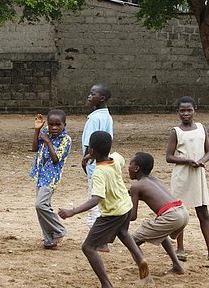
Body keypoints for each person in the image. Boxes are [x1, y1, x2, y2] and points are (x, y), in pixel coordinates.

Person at [59, 131, 150, 288]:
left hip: (113, 213)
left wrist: (72, 211)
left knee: (88, 247)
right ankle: (140, 258)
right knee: (123, 232)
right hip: (126, 206)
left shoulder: (99, 173)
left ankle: (106, 284)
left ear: (92, 151)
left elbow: (97, 198)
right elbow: (118, 159)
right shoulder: (115, 158)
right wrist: (88, 160)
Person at [165, 95, 209, 262]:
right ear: (178, 112)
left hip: (198, 174)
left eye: (189, 110)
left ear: (195, 111)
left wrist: (201, 161)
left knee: (203, 212)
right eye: (182, 110)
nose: (186, 113)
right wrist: (187, 161)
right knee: (180, 213)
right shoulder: (175, 132)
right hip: (182, 175)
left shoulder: (201, 128)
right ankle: (180, 248)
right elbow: (169, 157)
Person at [128, 151, 189, 274]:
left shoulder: (136, 187)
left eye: (130, 164)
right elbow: (151, 195)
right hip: (183, 211)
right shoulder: (154, 180)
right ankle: (177, 265)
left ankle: (144, 274)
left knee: (132, 241)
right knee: (161, 234)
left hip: (171, 216)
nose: (128, 167)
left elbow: (133, 216)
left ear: (136, 168)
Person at [30, 109, 72, 249]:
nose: (54, 128)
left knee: (40, 205)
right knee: (42, 207)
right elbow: (35, 148)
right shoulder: (45, 133)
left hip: (52, 177)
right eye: (51, 124)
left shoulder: (65, 140)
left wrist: (48, 142)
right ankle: (49, 239)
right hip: (40, 174)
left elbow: (56, 159)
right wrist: (37, 131)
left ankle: (59, 230)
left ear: (64, 125)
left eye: (58, 125)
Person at [81, 83, 114, 246]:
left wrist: (85, 159)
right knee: (101, 200)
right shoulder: (107, 116)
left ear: (101, 98)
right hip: (103, 163)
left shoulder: (94, 118)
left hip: (94, 164)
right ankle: (102, 239)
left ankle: (98, 241)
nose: (89, 96)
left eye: (92, 94)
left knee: (94, 201)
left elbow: (89, 144)